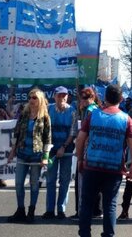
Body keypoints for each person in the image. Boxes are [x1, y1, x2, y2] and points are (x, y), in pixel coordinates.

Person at [76, 84, 132, 237]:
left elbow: (80, 139)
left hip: (92, 165)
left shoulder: (93, 115)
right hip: (114, 168)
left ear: (105, 98)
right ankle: (108, 234)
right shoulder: (126, 119)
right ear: (121, 99)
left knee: (87, 203)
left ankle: (85, 234)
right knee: (110, 204)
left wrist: (79, 159)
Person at [7, 88, 52, 223]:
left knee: (34, 184)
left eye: (34, 98)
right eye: (30, 97)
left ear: (40, 100)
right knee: (19, 183)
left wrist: (45, 156)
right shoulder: (23, 114)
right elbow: (16, 133)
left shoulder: (45, 117)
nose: (31, 100)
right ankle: (20, 210)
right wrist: (12, 151)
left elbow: (47, 139)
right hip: (22, 153)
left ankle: (31, 210)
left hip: (36, 155)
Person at [42, 86, 75, 220]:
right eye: (59, 95)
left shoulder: (72, 111)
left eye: (64, 95)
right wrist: (48, 149)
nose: (62, 98)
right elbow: (45, 130)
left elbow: (73, 132)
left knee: (65, 180)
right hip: (51, 149)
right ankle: (49, 210)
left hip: (66, 148)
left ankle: (61, 208)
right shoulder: (48, 109)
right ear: (54, 96)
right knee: (50, 180)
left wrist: (64, 146)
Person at [70, 87, 103, 220]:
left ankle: (82, 211)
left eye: (85, 98)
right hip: (95, 150)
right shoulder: (97, 110)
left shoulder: (90, 111)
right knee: (95, 181)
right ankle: (97, 210)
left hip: (87, 150)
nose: (82, 100)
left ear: (92, 98)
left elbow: (85, 133)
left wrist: (80, 149)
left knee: (82, 181)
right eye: (81, 97)